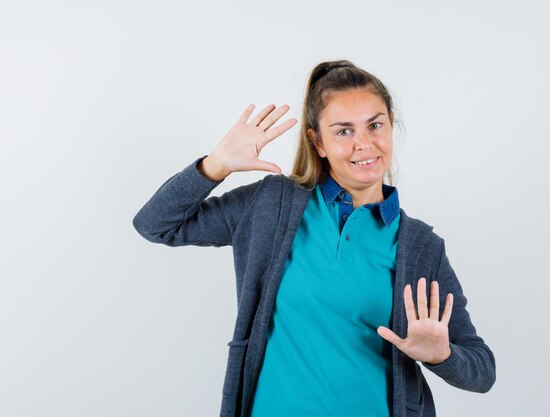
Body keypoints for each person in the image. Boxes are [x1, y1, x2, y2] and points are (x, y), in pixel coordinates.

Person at [133, 59, 496, 417]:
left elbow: (482, 371)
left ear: (391, 127)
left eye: (375, 125)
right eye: (343, 131)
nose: (364, 144)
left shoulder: (421, 247)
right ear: (317, 142)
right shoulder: (271, 205)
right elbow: (156, 224)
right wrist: (216, 165)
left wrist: (443, 356)